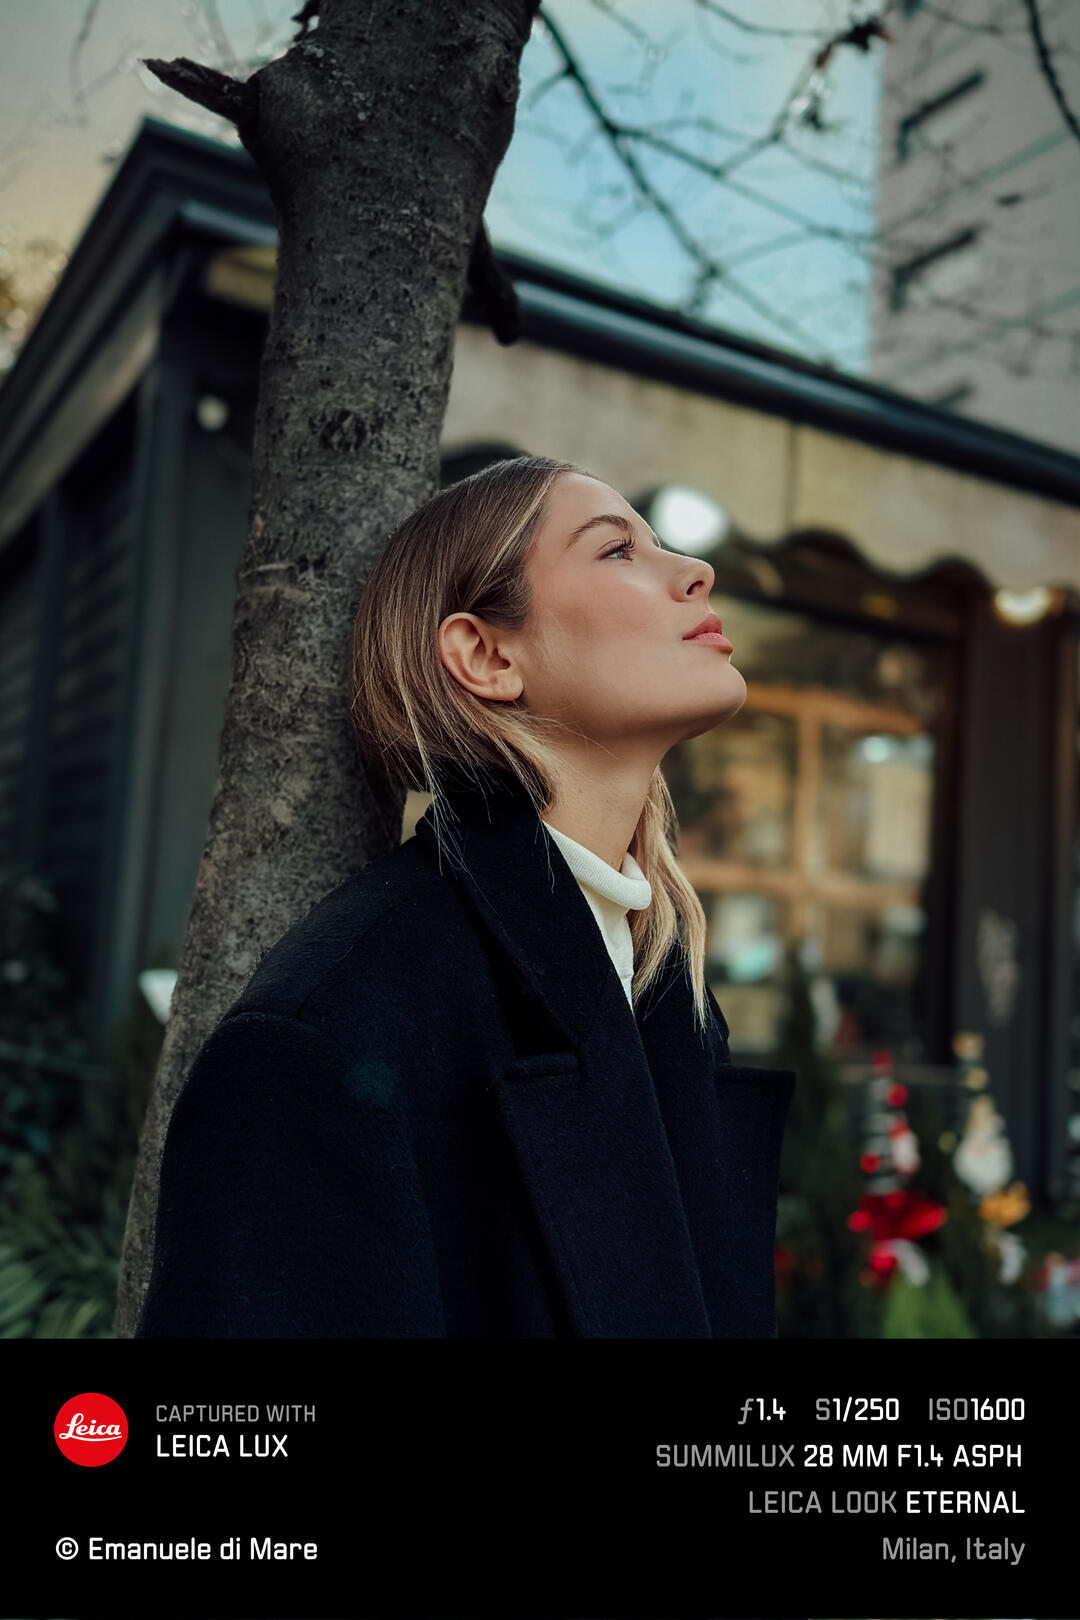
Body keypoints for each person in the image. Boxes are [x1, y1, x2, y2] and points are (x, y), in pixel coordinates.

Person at [136, 455, 796, 1339]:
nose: (694, 570)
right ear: (485, 656)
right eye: (616, 551)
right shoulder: (334, 1027)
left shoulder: (661, 980)